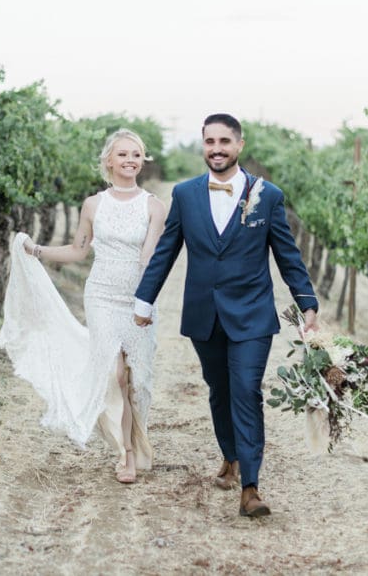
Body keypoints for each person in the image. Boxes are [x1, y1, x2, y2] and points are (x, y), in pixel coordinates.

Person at [133, 113, 319, 517]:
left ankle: (250, 487)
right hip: (204, 313)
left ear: (240, 145)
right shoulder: (185, 194)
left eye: (225, 142)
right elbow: (167, 251)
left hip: (252, 313)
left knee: (247, 392)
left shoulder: (267, 195)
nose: (216, 149)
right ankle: (231, 456)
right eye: (210, 142)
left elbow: (287, 253)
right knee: (219, 389)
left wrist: (307, 302)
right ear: (203, 145)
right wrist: (144, 300)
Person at [0, 129, 167, 484]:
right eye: (122, 154)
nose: (130, 160)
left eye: (136, 154)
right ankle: (127, 454)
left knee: (138, 380)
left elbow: (151, 257)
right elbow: (78, 250)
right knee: (115, 374)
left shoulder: (153, 205)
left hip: (136, 298)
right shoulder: (94, 204)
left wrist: (145, 301)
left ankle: (135, 438)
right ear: (109, 160)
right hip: (102, 295)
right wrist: (37, 251)